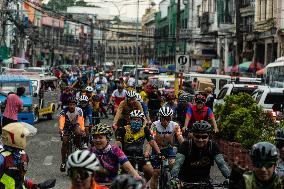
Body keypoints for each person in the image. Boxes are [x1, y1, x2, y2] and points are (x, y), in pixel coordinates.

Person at [170, 120, 230, 187]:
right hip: (185, 182)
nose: (200, 140)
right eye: (197, 136)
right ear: (193, 135)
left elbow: (222, 164)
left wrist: (229, 178)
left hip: (205, 182)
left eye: (204, 137)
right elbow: (178, 163)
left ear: (209, 136)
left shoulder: (212, 146)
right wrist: (174, 178)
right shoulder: (186, 145)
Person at [115, 110, 161, 187]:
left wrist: (159, 153)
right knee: (121, 177)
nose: (136, 121)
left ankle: (143, 184)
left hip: (140, 156)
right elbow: (118, 143)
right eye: (134, 119)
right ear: (130, 120)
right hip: (126, 157)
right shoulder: (123, 129)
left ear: (142, 121)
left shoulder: (145, 129)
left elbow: (152, 142)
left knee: (150, 171)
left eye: (138, 120)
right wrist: (116, 152)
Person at [149, 106, 184, 189]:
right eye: (163, 119)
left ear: (171, 118)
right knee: (155, 173)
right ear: (160, 117)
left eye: (168, 119)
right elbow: (152, 140)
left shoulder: (175, 125)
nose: (165, 121)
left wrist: (186, 147)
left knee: (173, 164)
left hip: (169, 149)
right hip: (156, 149)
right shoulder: (154, 125)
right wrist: (147, 151)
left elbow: (180, 138)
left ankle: (174, 180)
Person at [0, 122, 38, 189]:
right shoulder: (2, 158)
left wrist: (32, 185)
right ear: (12, 138)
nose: (24, 139)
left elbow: (21, 178)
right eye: (22, 136)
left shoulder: (23, 155)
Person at [59, 97, 85, 172]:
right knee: (64, 142)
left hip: (75, 125)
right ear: (68, 105)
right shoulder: (64, 111)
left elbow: (81, 121)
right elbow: (61, 121)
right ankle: (63, 162)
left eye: (73, 104)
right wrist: (61, 130)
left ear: (75, 105)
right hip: (66, 126)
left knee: (78, 132)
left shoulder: (79, 110)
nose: (72, 106)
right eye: (70, 104)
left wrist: (82, 130)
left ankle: (78, 146)